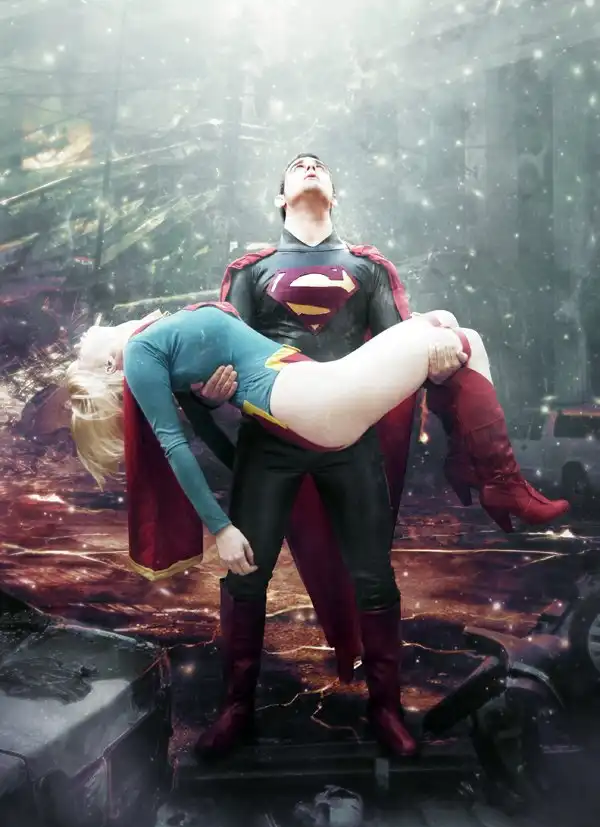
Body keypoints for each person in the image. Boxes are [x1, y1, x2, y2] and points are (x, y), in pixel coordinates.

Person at [65, 296, 569, 758]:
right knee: (454, 333)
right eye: (91, 349)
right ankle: (237, 709)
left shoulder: (157, 337)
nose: (95, 333)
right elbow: (185, 436)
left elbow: (200, 417)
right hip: (296, 411)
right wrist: (224, 520)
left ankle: (386, 707)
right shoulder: (145, 350)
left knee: (449, 327)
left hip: (315, 399)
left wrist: (225, 458)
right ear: (108, 365)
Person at [188, 154, 571, 763]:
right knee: (246, 575)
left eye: (318, 165)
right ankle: (236, 707)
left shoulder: (367, 267)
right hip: (271, 439)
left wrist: (434, 357)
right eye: (297, 166)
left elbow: (398, 348)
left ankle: (385, 708)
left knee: (372, 574)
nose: (309, 166)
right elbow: (221, 347)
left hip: (351, 440)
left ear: (334, 194)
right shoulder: (251, 270)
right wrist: (213, 391)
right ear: (281, 197)